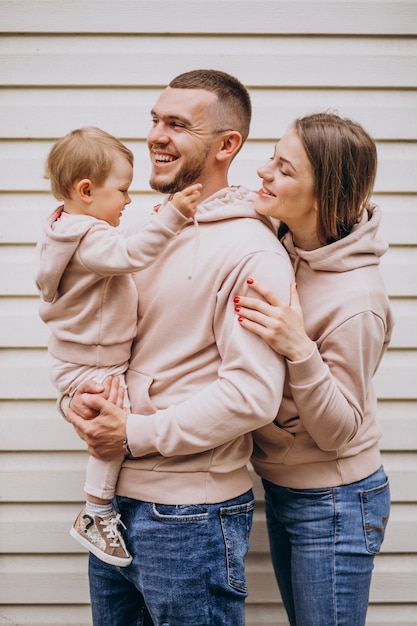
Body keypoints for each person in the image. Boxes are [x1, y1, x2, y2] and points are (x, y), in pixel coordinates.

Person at [58, 70, 294, 626]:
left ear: (227, 145)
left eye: (178, 125)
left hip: (190, 518)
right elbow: (95, 338)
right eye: (156, 120)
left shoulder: (251, 252)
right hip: (113, 508)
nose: (157, 136)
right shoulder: (137, 229)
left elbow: (252, 395)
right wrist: (79, 402)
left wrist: (131, 434)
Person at [233, 112, 394, 626]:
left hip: (335, 501)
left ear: (321, 197)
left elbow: (339, 429)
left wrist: (298, 347)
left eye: (284, 169)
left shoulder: (357, 300)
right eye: (271, 158)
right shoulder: (286, 243)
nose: (263, 172)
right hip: (287, 488)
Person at [35, 126, 201, 568]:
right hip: (94, 367)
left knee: (106, 424)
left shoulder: (65, 229)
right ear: (86, 191)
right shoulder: (90, 240)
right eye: (122, 190)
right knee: (112, 429)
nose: (128, 199)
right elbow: (129, 254)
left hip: (76, 360)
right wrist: (173, 215)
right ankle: (97, 512)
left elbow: (120, 246)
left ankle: (98, 510)